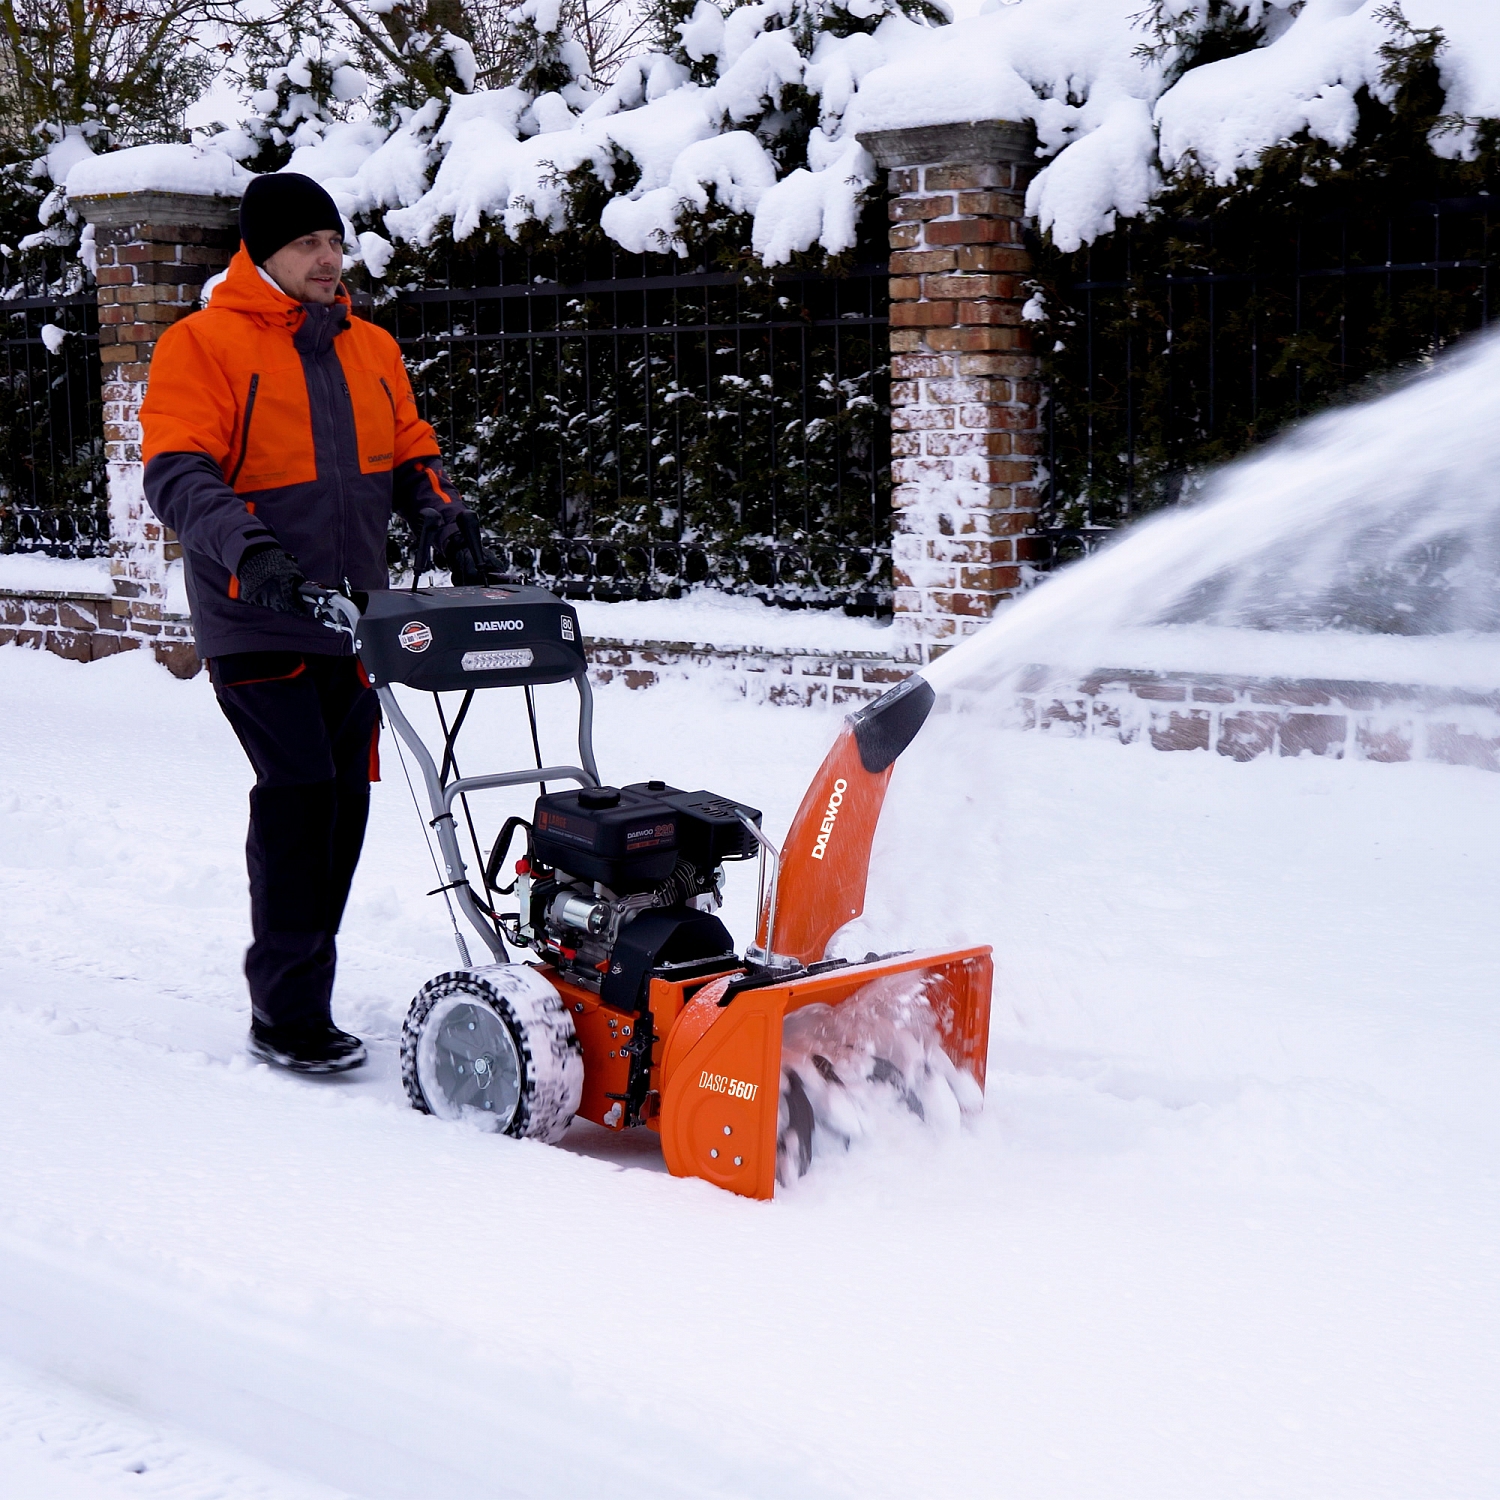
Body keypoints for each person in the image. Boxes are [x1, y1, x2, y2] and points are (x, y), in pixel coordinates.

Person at [141, 172, 497, 1074]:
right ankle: (286, 1011)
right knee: (300, 797)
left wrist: (445, 522)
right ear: (263, 253)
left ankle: (305, 992)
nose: (329, 259)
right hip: (255, 615)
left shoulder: (369, 347)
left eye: (335, 241)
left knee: (343, 805)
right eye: (308, 244)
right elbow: (179, 474)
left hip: (354, 621)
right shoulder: (202, 345)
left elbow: (412, 456)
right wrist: (251, 554)